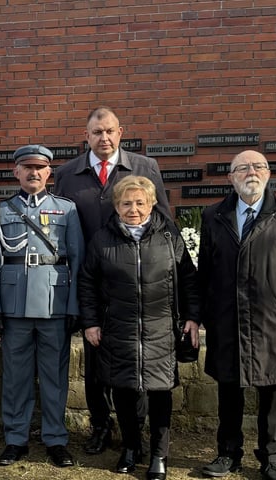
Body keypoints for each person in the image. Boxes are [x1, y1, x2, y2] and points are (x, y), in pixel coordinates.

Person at [53, 106, 171, 456]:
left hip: (134, 282)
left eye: (109, 131)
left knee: (136, 361)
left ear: (121, 133)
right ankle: (101, 425)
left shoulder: (145, 167)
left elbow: (163, 219)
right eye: (96, 133)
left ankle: (134, 433)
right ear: (85, 136)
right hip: (91, 282)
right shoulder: (67, 174)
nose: (103, 138)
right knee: (95, 362)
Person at [198, 151, 276, 480]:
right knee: (229, 391)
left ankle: (271, 458)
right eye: (243, 168)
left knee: (272, 393)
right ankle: (227, 453)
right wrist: (202, 314)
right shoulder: (213, 216)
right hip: (227, 319)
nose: (252, 172)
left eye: (258, 166)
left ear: (268, 173)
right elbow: (205, 271)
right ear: (231, 177)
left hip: (272, 321)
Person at [78, 176, 199, 480]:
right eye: (126, 203)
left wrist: (192, 316)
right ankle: (131, 447)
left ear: (151, 204)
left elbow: (188, 280)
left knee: (160, 393)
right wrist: (90, 322)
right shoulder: (102, 239)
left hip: (161, 328)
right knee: (123, 390)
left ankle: (159, 454)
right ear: (116, 206)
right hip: (118, 328)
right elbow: (88, 283)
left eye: (140, 202)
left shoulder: (169, 237)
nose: (133, 209)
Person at [0, 145, 84, 468]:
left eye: (40, 168)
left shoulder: (67, 210)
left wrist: (74, 306)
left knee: (55, 375)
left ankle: (55, 439)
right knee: (15, 377)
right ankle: (15, 439)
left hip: (55, 304)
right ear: (16, 172)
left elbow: (77, 261)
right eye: (27, 167)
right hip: (14, 307)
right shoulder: (0, 211)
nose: (34, 173)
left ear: (49, 173)